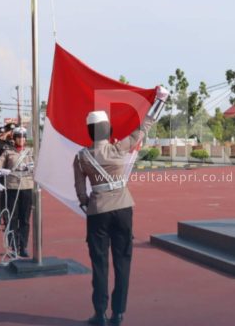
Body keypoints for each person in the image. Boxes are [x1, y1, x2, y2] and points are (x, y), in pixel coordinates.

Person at [74, 87, 167, 326]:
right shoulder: (119, 148)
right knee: (123, 260)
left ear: (90, 130)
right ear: (108, 129)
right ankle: (118, 313)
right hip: (124, 208)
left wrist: (86, 204)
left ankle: (100, 314)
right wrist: (160, 102)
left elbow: (80, 190)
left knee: (99, 264)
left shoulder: (82, 157)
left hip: (98, 212)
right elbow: (144, 128)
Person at [0, 127, 33, 258]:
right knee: (12, 218)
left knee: (25, 219)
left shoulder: (31, 152)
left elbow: (39, 167)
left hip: (27, 187)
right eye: (19, 137)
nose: (21, 139)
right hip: (12, 188)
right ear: (14, 138)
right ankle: (13, 245)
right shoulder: (8, 152)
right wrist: (0, 175)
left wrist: (32, 167)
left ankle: (23, 246)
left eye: (23, 137)